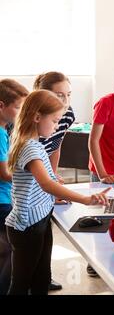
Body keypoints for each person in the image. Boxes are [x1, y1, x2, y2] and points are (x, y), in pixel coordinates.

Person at [5, 90, 110, 295]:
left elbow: (42, 186)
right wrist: (85, 200)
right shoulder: (30, 148)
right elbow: (46, 184)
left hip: (41, 220)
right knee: (21, 283)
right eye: (54, 121)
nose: (56, 127)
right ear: (37, 117)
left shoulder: (34, 144)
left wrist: (55, 196)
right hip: (27, 227)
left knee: (42, 278)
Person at [33, 71, 76, 291]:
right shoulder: (30, 117)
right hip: (25, 181)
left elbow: (55, 146)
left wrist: (53, 178)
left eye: (68, 95)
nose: (65, 102)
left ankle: (43, 277)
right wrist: (50, 184)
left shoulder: (67, 116)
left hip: (42, 179)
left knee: (45, 232)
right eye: (59, 95)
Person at [0, 79, 28, 295]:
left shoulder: (5, 130)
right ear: (1, 105)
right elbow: (4, 173)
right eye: (18, 107)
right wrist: (31, 177)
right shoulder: (0, 133)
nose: (20, 113)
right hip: (2, 201)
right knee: (10, 252)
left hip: (5, 199)